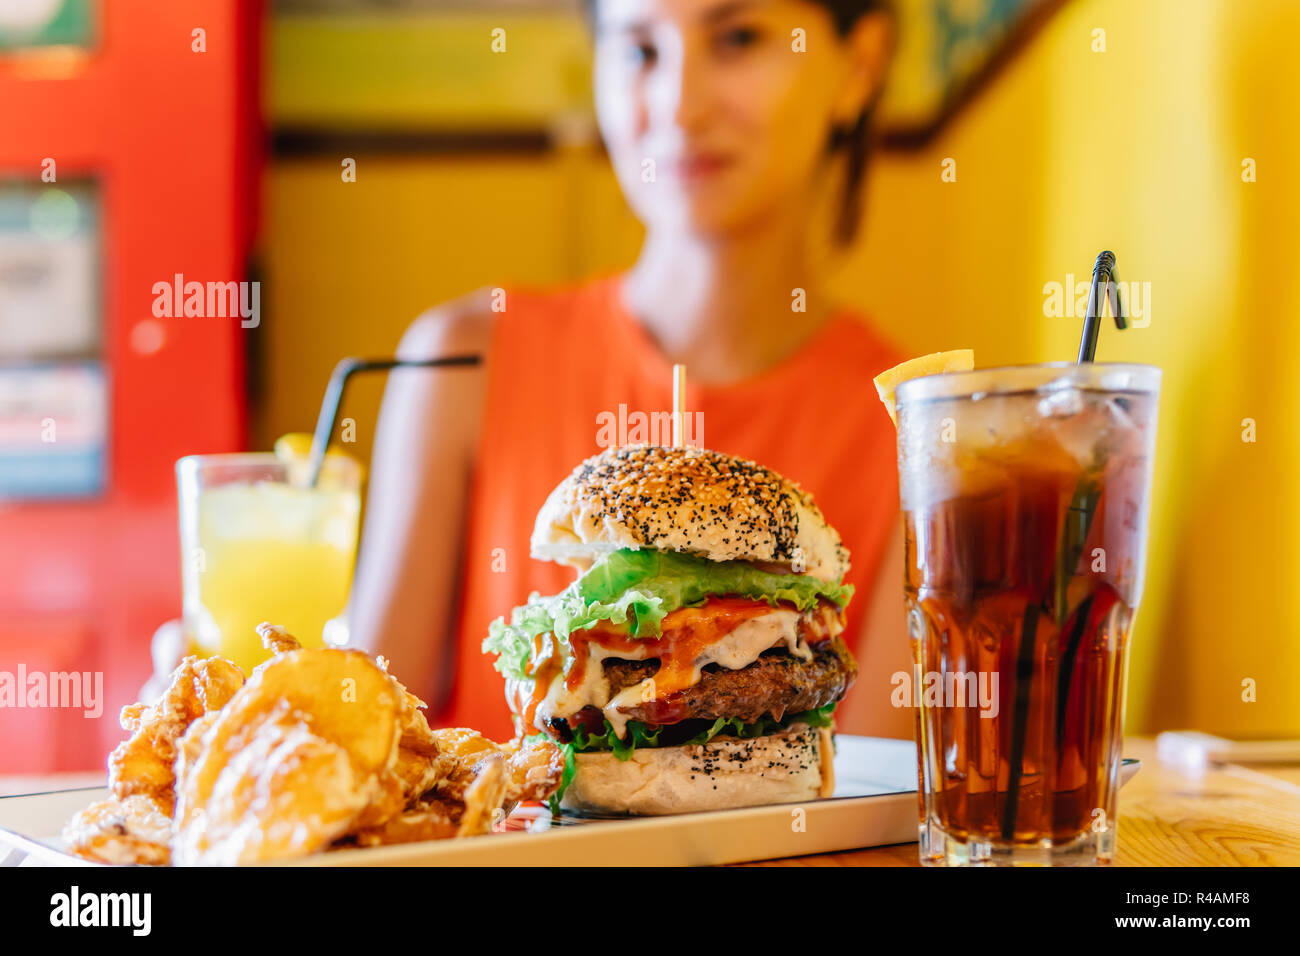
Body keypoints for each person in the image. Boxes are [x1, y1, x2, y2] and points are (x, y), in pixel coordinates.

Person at [347, 0, 912, 743]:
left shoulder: (918, 431)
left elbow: (884, 827)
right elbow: (364, 741)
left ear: (860, 65)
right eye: (641, 51)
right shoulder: (456, 363)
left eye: (738, 39)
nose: (680, 104)